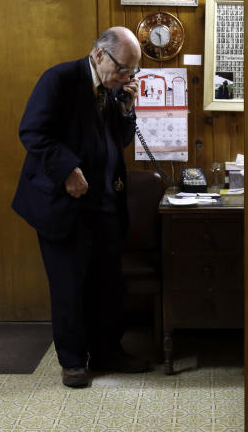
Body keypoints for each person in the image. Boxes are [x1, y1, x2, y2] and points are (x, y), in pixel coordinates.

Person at [11, 26, 150, 388]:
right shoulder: (59, 80)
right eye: (123, 69)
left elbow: (118, 142)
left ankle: (108, 352)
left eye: (132, 73)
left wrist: (127, 109)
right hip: (64, 202)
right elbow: (33, 132)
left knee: (107, 284)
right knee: (68, 285)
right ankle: (73, 362)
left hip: (103, 201)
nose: (125, 78)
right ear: (100, 54)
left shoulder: (111, 88)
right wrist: (67, 170)